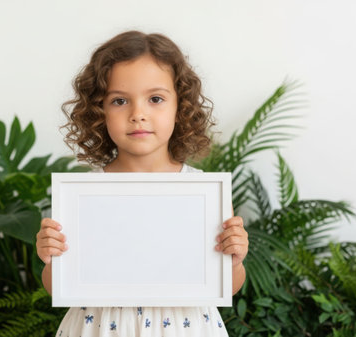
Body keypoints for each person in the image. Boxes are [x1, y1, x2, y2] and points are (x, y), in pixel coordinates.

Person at [36, 30, 249, 337]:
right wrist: (51, 261)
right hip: (100, 327)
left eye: (155, 99)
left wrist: (234, 263)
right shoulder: (83, 196)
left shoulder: (204, 192)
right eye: (120, 100)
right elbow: (59, 287)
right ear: (99, 111)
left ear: (181, 106)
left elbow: (224, 287)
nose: (138, 114)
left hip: (184, 327)